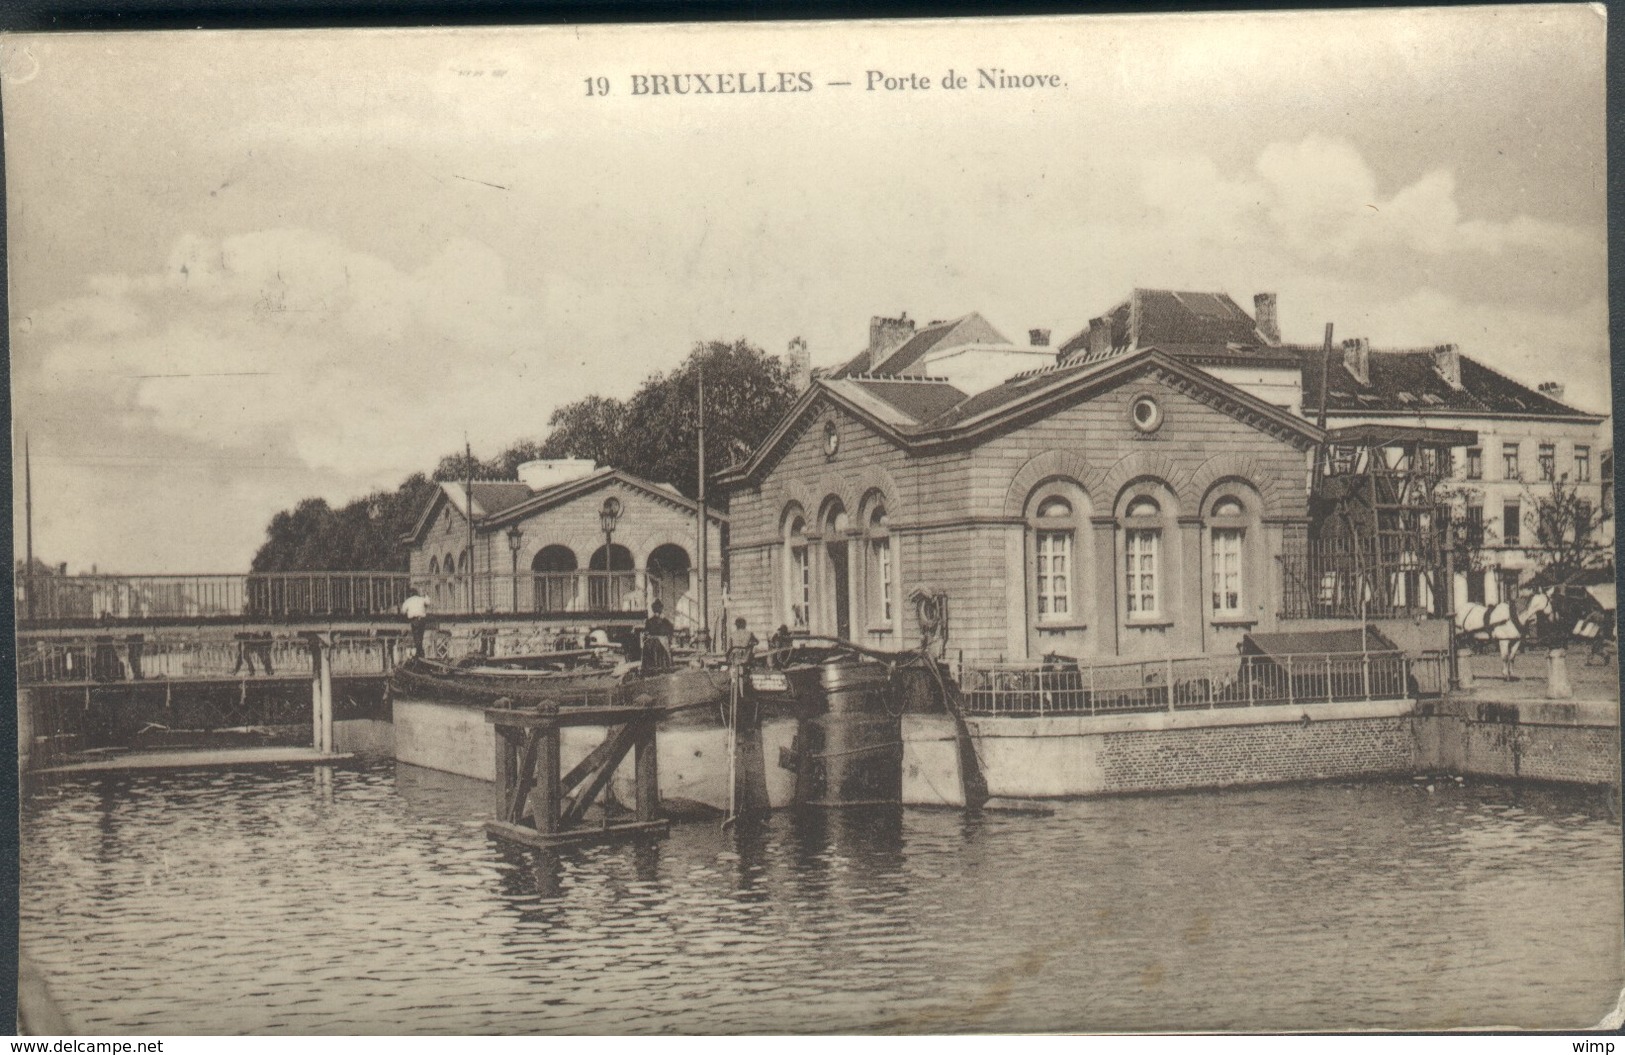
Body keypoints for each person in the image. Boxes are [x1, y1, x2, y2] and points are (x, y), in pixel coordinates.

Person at [642, 599, 675, 673]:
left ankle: (651, 668)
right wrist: (668, 639)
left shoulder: (649, 621)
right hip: (662, 642)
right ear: (661, 610)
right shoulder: (665, 621)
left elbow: (646, 633)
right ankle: (664, 667)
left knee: (648, 647)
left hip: (653, 643)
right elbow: (671, 631)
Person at [401, 587, 430, 658]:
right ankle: (420, 652)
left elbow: (403, 611)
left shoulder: (408, 601)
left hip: (414, 620)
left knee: (416, 636)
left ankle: (419, 653)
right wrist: (426, 595)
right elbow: (428, 602)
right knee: (420, 636)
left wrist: (408, 612)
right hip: (422, 619)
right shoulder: (421, 599)